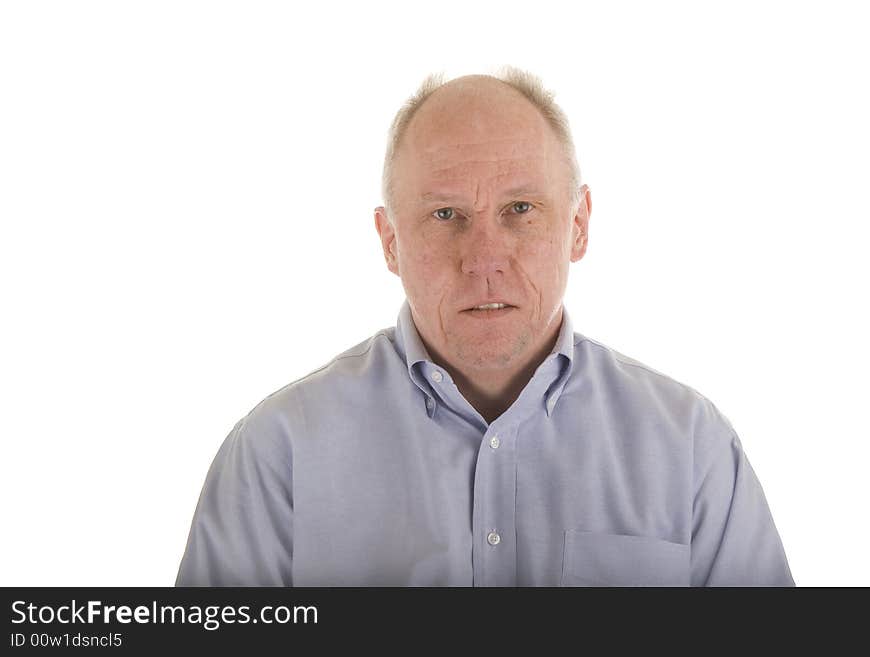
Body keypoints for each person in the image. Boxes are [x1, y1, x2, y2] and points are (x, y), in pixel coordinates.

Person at [175, 67, 795, 587]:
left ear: (578, 224)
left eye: (519, 210)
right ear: (389, 242)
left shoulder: (691, 449)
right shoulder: (276, 456)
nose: (484, 259)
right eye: (446, 215)